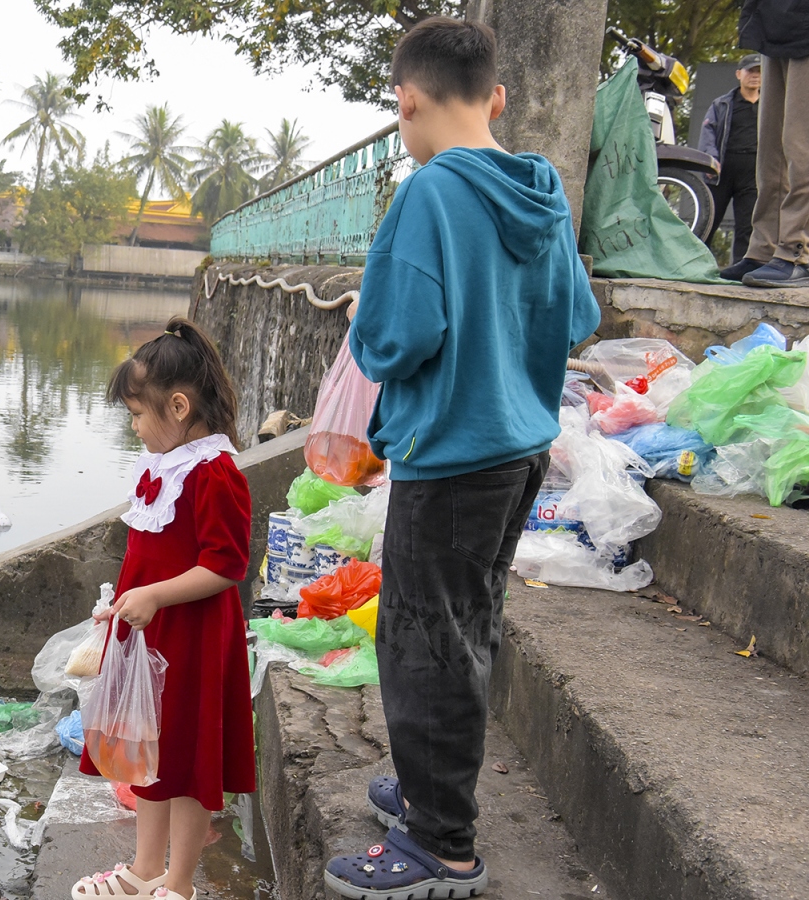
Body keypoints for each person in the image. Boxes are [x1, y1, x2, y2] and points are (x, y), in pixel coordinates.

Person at [324, 19, 600, 899]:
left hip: (449, 456)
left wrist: (371, 306)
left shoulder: (430, 195)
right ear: (499, 98)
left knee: (421, 642)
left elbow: (398, 339)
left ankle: (441, 846)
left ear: (405, 101)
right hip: (519, 448)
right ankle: (423, 789)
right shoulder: (541, 188)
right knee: (466, 621)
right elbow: (580, 318)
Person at [69, 318, 255, 900]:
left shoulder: (215, 473)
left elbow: (226, 565)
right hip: (148, 638)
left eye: (136, 413)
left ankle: (179, 884)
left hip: (193, 638)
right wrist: (122, 607)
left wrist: (153, 596)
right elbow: (145, 551)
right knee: (145, 755)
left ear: (177, 406)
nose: (133, 427)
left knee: (191, 763)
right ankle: (143, 869)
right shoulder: (159, 466)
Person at [734, 0, 809, 286]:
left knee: (801, 146)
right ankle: (764, 249)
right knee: (771, 153)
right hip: (774, 23)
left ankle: (797, 252)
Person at [702, 55, 764, 268]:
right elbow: (708, 131)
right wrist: (711, 159)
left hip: (753, 172)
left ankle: (741, 267)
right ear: (739, 74)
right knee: (709, 220)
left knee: (748, 225)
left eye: (759, 71)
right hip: (721, 170)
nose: (755, 76)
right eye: (750, 71)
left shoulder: (771, 106)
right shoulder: (722, 104)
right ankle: (698, 264)